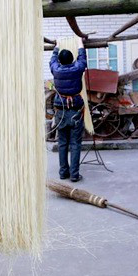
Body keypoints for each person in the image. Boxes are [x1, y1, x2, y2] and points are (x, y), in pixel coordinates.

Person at [49, 43, 87, 182]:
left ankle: (63, 173)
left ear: (60, 61)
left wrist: (56, 48)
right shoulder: (77, 68)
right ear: (72, 60)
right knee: (75, 144)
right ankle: (74, 175)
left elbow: (52, 60)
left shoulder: (56, 69)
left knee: (62, 142)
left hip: (61, 111)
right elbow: (83, 59)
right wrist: (80, 46)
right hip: (76, 110)